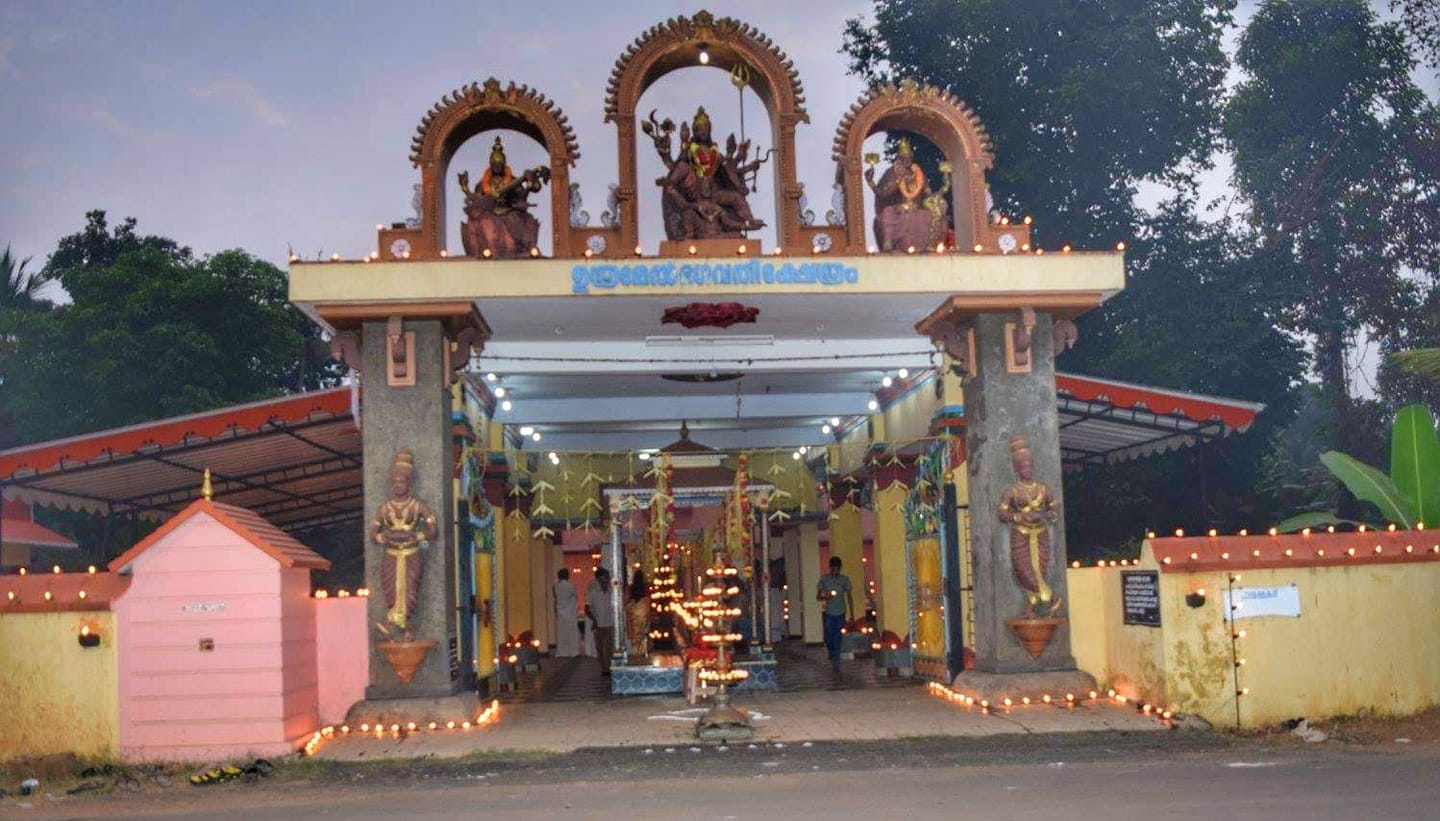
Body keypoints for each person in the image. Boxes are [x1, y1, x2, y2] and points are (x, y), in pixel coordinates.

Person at [370, 450, 438, 641]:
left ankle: (395, 623)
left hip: (412, 553)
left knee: (409, 590)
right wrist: (383, 537)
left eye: (402, 482)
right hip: (391, 554)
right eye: (395, 482)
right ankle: (402, 628)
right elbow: (372, 534)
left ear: (409, 483)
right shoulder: (385, 508)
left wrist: (418, 536)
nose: (398, 486)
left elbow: (433, 529)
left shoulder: (418, 506)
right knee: (391, 590)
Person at [816, 556, 854, 679]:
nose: (835, 570)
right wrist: (826, 597)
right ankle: (831, 652)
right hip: (829, 613)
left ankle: (836, 664)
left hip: (840, 613)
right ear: (830, 568)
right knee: (828, 637)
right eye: (833, 568)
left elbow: (849, 596)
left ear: (840, 568)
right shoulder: (824, 580)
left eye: (837, 568)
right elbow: (819, 596)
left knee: (838, 638)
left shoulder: (844, 580)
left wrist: (852, 614)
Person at [585, 567, 616, 675]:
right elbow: (587, 608)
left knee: (609, 647)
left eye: (608, 576)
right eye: (605, 576)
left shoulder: (611, 591)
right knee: (600, 647)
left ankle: (609, 668)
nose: (607, 578)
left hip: (609, 622)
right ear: (599, 578)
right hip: (599, 623)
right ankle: (604, 668)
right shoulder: (593, 591)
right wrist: (594, 620)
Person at [554, 569, 580, 658]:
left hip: (560, 614)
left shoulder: (555, 586)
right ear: (567, 575)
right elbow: (575, 597)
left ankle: (562, 652)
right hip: (570, 613)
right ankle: (573, 652)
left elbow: (556, 598)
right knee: (571, 633)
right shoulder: (571, 586)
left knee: (561, 633)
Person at [626, 568, 650, 661]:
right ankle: (642, 656)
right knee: (642, 636)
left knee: (634, 637)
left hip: (633, 614)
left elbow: (628, 601)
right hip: (642, 612)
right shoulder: (645, 588)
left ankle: (634, 655)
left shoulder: (632, 588)